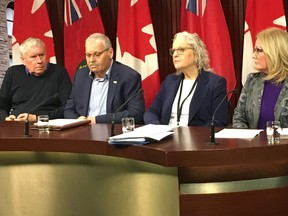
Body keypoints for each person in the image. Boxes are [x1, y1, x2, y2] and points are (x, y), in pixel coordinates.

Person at [144, 31, 228, 126]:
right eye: (173, 51)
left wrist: (194, 137)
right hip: (166, 138)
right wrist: (158, 129)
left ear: (196, 53)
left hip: (196, 139)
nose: (175, 55)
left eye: (181, 50)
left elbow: (219, 121)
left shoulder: (215, 83)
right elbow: (151, 111)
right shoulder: (170, 81)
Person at [64, 33, 145, 124]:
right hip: (82, 130)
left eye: (97, 54)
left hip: (112, 131)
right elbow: (68, 110)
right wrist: (78, 122)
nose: (91, 60)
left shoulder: (129, 77)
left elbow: (136, 113)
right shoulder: (80, 76)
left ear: (110, 53)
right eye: (88, 55)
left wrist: (96, 120)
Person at [0, 37, 72, 122]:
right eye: (33, 57)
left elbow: (68, 107)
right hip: (17, 126)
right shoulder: (13, 73)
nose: (39, 61)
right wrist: (6, 118)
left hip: (48, 125)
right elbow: (2, 106)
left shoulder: (59, 72)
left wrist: (38, 118)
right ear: (23, 59)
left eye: (42, 55)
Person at [233, 27, 288, 129]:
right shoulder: (252, 80)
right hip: (254, 144)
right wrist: (247, 139)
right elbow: (239, 116)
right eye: (254, 50)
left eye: (259, 50)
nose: (254, 55)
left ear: (274, 52)